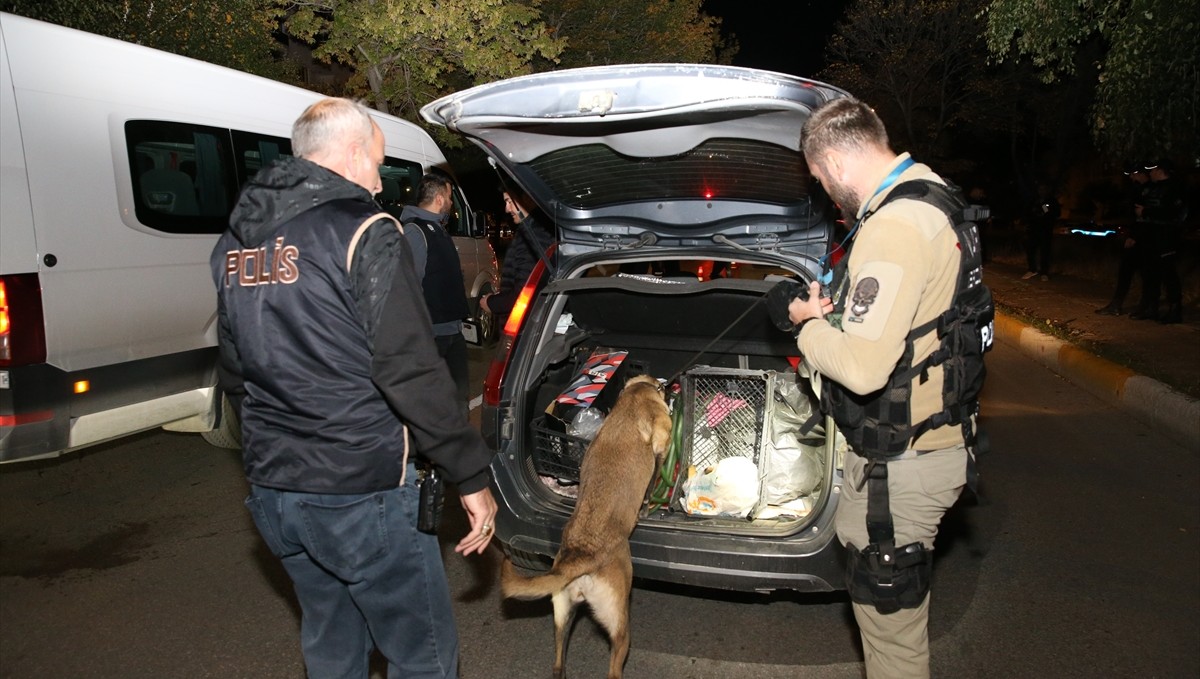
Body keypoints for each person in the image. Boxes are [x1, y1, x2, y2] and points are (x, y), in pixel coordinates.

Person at [210, 97, 497, 679]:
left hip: (275, 492)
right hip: (359, 490)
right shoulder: (363, 229)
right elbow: (408, 366)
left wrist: (275, 447)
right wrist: (469, 473)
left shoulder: (237, 244)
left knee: (333, 648)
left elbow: (236, 372)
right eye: (377, 161)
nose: (377, 177)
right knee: (423, 657)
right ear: (352, 151)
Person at [787, 97, 976, 679]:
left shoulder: (892, 226)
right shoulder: (932, 194)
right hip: (924, 445)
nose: (824, 191)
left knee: (894, 649)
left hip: (902, 467)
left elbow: (867, 370)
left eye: (818, 179)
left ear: (837, 165)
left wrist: (806, 323)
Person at [387, 168, 471, 414]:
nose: (451, 202)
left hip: (450, 332)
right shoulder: (415, 232)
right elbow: (406, 289)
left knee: (457, 402)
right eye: (449, 196)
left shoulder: (437, 229)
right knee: (427, 408)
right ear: (439, 199)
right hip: (431, 337)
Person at [480, 186, 554, 325]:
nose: (507, 209)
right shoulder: (536, 230)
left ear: (526, 199)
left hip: (525, 325)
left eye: (509, 202)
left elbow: (524, 291)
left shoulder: (533, 236)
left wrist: (491, 303)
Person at [1132, 160, 1186, 323]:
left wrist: (1147, 212)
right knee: (1150, 274)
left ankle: (1175, 310)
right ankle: (1151, 307)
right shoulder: (1151, 188)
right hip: (1150, 238)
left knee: (1168, 274)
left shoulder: (1175, 189)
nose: (1150, 173)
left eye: (1152, 170)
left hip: (1166, 237)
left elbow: (1176, 214)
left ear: (1161, 170)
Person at [1096, 166, 1150, 315]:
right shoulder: (1137, 190)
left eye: (1133, 174)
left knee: (1145, 274)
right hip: (1134, 235)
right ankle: (1116, 304)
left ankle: (1145, 306)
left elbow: (1143, 219)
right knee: (1125, 271)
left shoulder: (1148, 191)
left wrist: (1134, 236)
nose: (1132, 178)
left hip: (1143, 239)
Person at [1021, 182, 1059, 281]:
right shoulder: (1034, 200)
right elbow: (1027, 212)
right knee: (1030, 249)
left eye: (1044, 189)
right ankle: (1032, 269)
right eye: (1040, 189)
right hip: (1033, 229)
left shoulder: (1051, 201)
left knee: (1045, 251)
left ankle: (1044, 272)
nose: (1042, 191)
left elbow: (1053, 214)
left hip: (1045, 230)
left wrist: (1043, 206)